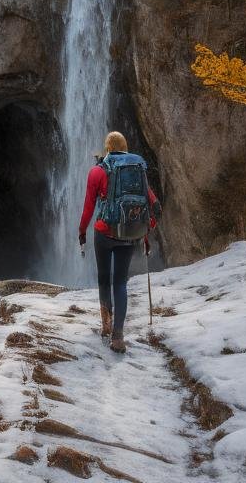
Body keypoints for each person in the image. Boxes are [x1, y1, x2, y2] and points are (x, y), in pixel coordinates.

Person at [77, 131, 159, 354]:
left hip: (104, 234)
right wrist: (145, 232)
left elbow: (88, 209)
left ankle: (106, 325)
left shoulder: (97, 171)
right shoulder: (137, 170)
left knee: (104, 279)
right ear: (125, 147)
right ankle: (118, 336)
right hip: (129, 233)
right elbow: (151, 204)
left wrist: (82, 231)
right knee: (120, 283)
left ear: (107, 149)